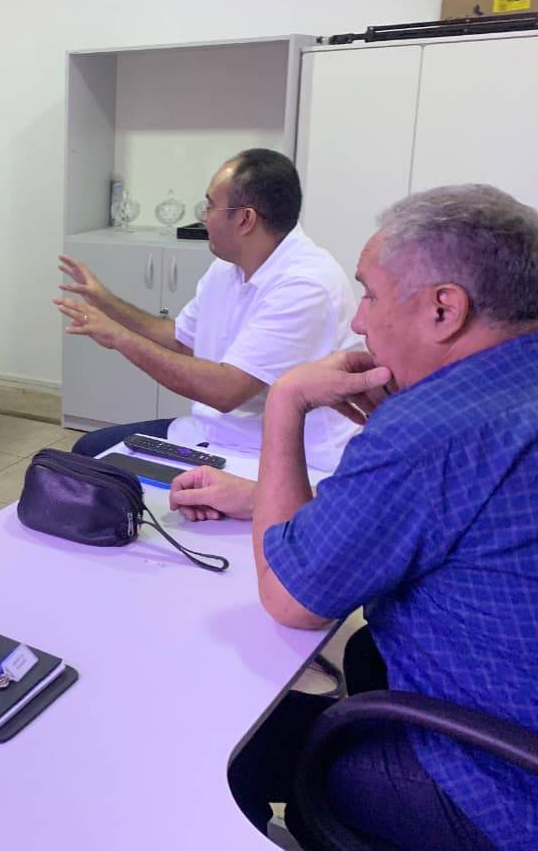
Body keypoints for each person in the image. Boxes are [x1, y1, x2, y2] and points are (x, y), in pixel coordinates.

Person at [169, 184, 538, 851]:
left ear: (444, 308)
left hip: (502, 791)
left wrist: (287, 401)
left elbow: (290, 600)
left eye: (368, 294)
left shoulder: (433, 426)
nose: (360, 322)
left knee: (240, 754)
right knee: (355, 662)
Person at [55, 149, 360, 470]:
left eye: (211, 205)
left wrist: (120, 338)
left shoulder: (305, 284)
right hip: (215, 432)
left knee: (96, 471)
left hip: (283, 454)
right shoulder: (228, 267)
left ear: (245, 219)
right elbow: (180, 339)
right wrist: (106, 302)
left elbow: (226, 391)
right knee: (89, 451)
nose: (203, 216)